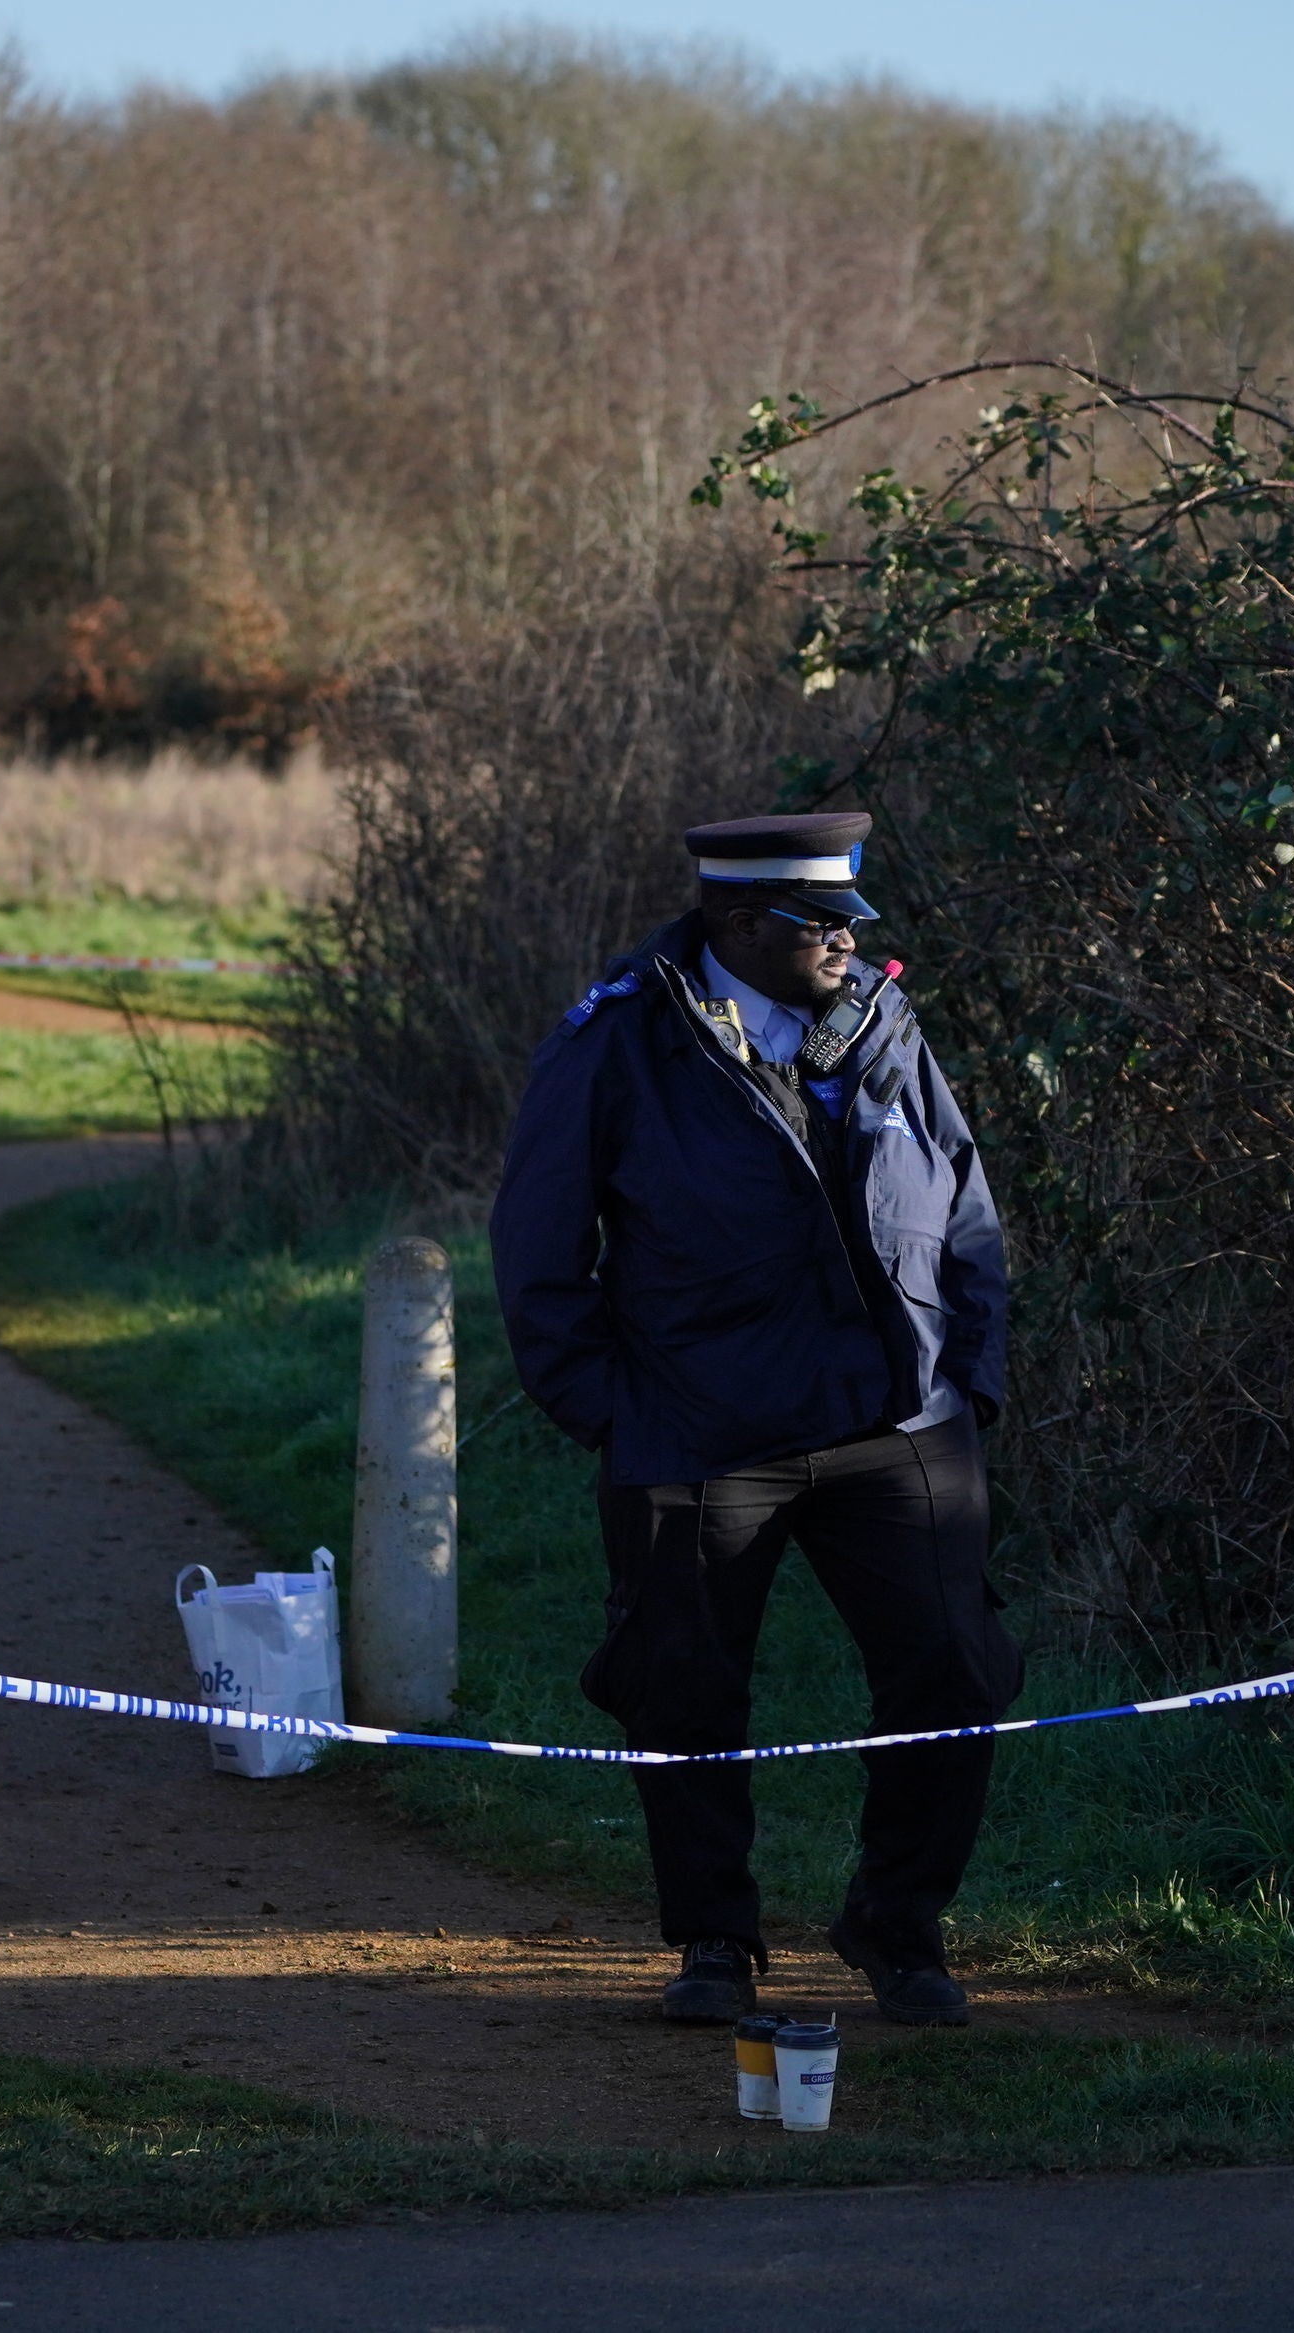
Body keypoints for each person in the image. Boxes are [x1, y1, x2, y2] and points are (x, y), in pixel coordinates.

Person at [489, 810, 1019, 2029]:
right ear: (735, 923)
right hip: (694, 1431)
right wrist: (609, 1413)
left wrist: (968, 1379)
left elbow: (965, 1203)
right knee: (681, 1689)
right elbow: (537, 1246)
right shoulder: (621, 1038)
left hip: (900, 1423)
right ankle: (715, 1940)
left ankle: (898, 1924)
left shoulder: (882, 1018)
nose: (842, 937)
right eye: (814, 920)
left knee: (956, 1667)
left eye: (847, 918)